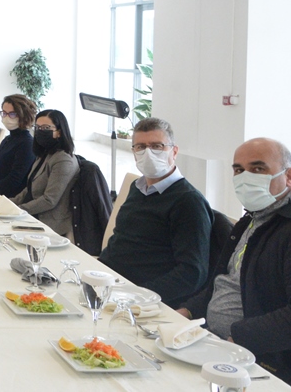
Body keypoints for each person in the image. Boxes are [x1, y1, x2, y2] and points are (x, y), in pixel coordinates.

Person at [178, 138, 291, 381]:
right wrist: (186, 311)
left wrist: (237, 337)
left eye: (258, 169)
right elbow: (222, 282)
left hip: (259, 360)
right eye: (238, 170)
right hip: (211, 340)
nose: (245, 177)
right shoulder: (251, 220)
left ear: (288, 176)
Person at [98, 118, 212, 307]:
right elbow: (121, 240)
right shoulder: (137, 188)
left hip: (141, 299)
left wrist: (138, 295)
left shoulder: (188, 201)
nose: (148, 153)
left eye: (157, 146)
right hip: (111, 284)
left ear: (174, 152)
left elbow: (192, 273)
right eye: (141, 147)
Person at [11, 109, 79, 237]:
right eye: (37, 127)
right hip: (32, 215)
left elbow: (49, 200)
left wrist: (19, 210)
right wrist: (9, 203)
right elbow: (29, 190)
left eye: (46, 128)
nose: (40, 131)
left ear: (59, 132)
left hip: (48, 223)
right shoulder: (45, 154)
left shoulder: (63, 160)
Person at [0, 94, 36, 198]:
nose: (7, 117)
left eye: (12, 114)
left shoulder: (27, 143)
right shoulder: (7, 139)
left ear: (23, 115)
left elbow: (14, 180)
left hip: (6, 198)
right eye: (4, 113)